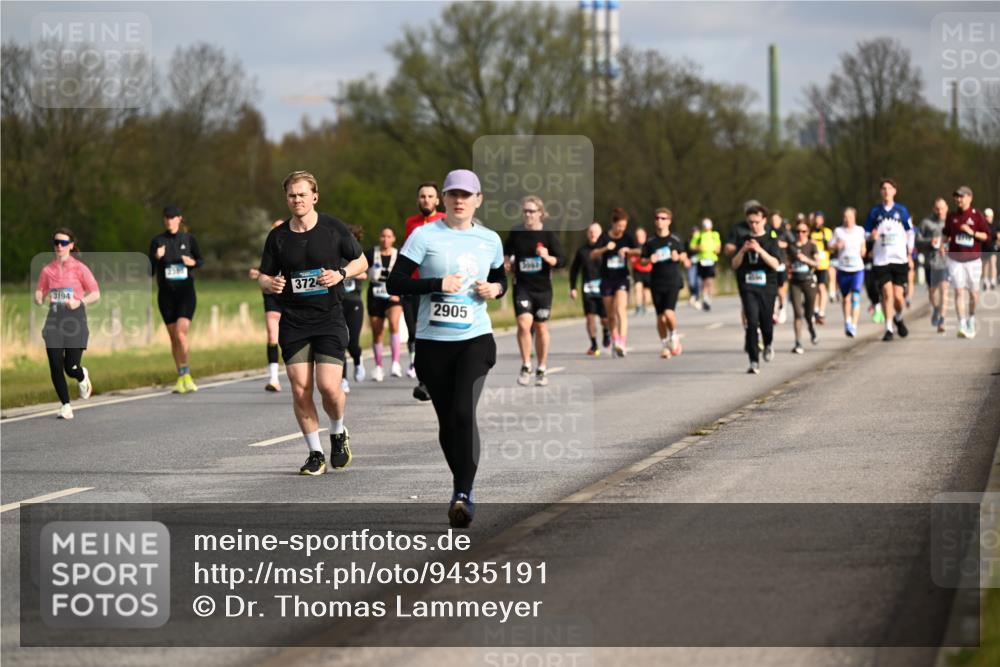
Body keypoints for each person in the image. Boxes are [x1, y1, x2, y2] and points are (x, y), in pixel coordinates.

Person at [387, 169, 506, 528]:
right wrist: (437, 283)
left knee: (463, 412)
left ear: (477, 200)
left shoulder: (489, 239)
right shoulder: (424, 236)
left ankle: (463, 494)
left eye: (466, 195)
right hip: (433, 344)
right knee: (447, 420)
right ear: (444, 198)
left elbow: (502, 278)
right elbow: (397, 281)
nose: (459, 200)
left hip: (475, 339)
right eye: (453, 194)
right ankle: (460, 486)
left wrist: (496, 290)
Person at [257, 171, 368, 476]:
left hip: (329, 318)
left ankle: (338, 431)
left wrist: (342, 274)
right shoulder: (277, 236)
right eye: (292, 195)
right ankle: (315, 454)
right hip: (294, 321)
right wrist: (270, 284)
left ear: (315, 196)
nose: (297, 200)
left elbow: (362, 262)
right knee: (300, 389)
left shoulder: (332, 228)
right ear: (287, 199)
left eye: (303, 194)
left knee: (329, 387)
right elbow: (264, 276)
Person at [34, 228, 100, 419]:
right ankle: (65, 405)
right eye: (56, 242)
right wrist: (38, 297)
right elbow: (40, 292)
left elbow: (95, 293)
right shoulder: (47, 270)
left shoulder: (80, 268)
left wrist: (79, 301)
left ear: (71, 245)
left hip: (75, 319)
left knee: (70, 367)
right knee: (55, 364)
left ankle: (81, 375)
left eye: (63, 243)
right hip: (54, 319)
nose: (59, 246)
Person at [505, 195, 564, 386]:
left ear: (540, 213)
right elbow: (506, 252)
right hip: (522, 286)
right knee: (523, 324)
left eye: (531, 211)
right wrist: (507, 262)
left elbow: (562, 260)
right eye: (525, 211)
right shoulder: (516, 232)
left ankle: (542, 367)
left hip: (543, 289)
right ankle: (526, 364)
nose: (528, 215)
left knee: (540, 327)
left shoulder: (548, 234)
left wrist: (547, 257)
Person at [149, 205, 203, 393]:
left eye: (173, 217)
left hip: (186, 293)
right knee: (173, 338)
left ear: (180, 219)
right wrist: (157, 257)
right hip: (166, 296)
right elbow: (150, 271)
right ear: (164, 220)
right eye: (167, 217)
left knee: (181, 334)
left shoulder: (189, 239)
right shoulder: (158, 241)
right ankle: (181, 377)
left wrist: (192, 262)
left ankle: (187, 373)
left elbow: (200, 260)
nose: (169, 220)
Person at [403, 183, 447, 401]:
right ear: (418, 199)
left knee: (436, 334)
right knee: (415, 334)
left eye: (430, 196)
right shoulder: (410, 223)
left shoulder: (445, 221)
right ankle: (425, 380)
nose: (426, 200)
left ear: (437, 200)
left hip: (437, 288)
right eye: (422, 196)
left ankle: (433, 379)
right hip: (413, 287)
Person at [731, 204, 781, 373]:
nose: (754, 225)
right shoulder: (743, 239)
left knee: (766, 322)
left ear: (764, 220)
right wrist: (743, 251)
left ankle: (768, 343)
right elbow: (734, 264)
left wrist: (759, 250)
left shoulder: (771, 240)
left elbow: (775, 264)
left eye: (757, 222)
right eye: (750, 222)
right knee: (751, 322)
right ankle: (753, 360)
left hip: (767, 286)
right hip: (748, 286)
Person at [864, 178, 914, 342]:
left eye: (889, 188)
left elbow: (910, 232)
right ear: (881, 192)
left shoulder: (902, 210)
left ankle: (898, 317)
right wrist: (871, 236)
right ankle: (888, 328)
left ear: (894, 191)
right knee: (886, 293)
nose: (886, 191)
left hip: (899, 258)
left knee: (898, 297)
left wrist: (909, 252)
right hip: (881, 259)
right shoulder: (875, 212)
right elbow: (865, 233)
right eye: (883, 188)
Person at [943, 186, 992, 339]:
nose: (958, 199)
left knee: (973, 293)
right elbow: (946, 234)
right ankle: (962, 323)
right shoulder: (951, 216)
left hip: (973, 260)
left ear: (970, 197)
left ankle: (971, 316)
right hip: (955, 259)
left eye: (962, 196)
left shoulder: (977, 216)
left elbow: (986, 236)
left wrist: (972, 233)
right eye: (956, 197)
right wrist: (943, 244)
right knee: (958, 291)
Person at [640, 208, 687, 358]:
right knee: (660, 317)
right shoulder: (650, 242)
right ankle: (664, 345)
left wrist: (677, 257)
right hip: (656, 281)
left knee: (668, 312)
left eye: (663, 218)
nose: (660, 221)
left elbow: (684, 255)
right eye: (657, 218)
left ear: (669, 221)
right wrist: (648, 260)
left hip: (672, 280)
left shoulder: (675, 239)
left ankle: (674, 335)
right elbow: (642, 259)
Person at [592, 208, 638, 357]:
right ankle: (615, 338)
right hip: (606, 280)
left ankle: (622, 342)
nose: (621, 229)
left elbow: (641, 250)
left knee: (620, 309)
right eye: (619, 226)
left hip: (622, 278)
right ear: (613, 223)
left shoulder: (627, 237)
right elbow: (593, 254)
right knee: (611, 315)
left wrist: (628, 251)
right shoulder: (605, 237)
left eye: (624, 226)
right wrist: (606, 248)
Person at [249, 219, 287, 392]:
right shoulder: (270, 246)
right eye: (275, 228)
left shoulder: (295, 246)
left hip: (290, 297)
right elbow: (265, 270)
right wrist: (258, 273)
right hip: (272, 295)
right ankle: (273, 378)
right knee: (272, 335)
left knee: (290, 336)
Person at [365, 226, 405, 381]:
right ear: (379, 238)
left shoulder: (399, 255)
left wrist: (398, 292)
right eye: (383, 236)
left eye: (389, 236)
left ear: (393, 238)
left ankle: (395, 363)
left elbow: (404, 274)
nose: (386, 239)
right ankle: (378, 366)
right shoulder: (370, 254)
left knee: (394, 323)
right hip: (375, 294)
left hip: (393, 294)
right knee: (377, 331)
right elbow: (361, 268)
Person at [570, 222, 610, 356]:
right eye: (590, 232)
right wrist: (573, 287)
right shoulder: (582, 251)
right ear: (587, 234)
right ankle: (594, 344)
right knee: (590, 318)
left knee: (605, 319)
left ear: (600, 234)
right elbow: (574, 270)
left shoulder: (606, 250)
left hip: (604, 289)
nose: (593, 234)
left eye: (595, 232)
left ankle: (606, 331)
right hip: (588, 289)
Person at [916, 198, 951, 333]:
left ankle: (942, 319)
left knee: (945, 289)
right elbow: (917, 241)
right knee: (933, 292)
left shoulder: (952, 222)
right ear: (933, 209)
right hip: (930, 262)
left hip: (946, 262)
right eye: (937, 208)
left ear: (947, 208)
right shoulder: (926, 223)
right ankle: (936, 308)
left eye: (942, 208)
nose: (940, 211)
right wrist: (930, 242)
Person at [832, 207, 867, 338]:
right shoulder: (838, 231)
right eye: (845, 217)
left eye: (850, 217)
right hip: (843, 269)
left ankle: (854, 324)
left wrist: (863, 250)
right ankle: (847, 321)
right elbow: (830, 245)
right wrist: (836, 246)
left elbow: (863, 245)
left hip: (857, 268)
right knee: (846, 298)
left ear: (854, 218)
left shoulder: (860, 230)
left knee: (856, 296)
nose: (848, 220)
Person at [340, 225, 367, 393]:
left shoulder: (358, 256)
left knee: (353, 343)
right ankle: (343, 379)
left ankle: (358, 360)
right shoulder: (336, 255)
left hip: (354, 302)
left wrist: (349, 272)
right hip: (338, 303)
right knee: (340, 341)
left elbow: (365, 273)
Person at [787, 221, 819, 353]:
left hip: (808, 281)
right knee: (797, 313)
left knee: (808, 313)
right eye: (798, 231)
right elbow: (786, 261)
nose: (800, 234)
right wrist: (788, 268)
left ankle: (812, 329)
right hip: (795, 282)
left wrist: (806, 260)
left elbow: (817, 263)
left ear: (808, 232)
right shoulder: (791, 246)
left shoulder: (812, 245)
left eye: (804, 231)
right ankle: (798, 342)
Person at [691, 218, 721, 311]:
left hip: (712, 259)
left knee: (710, 280)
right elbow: (692, 246)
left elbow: (718, 247)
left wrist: (717, 249)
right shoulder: (698, 235)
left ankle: (708, 298)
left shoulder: (714, 234)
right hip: (702, 260)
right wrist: (698, 247)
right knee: (704, 280)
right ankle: (704, 297)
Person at [809, 211, 834, 325]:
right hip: (812, 264)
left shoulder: (827, 232)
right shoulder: (809, 232)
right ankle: (815, 310)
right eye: (816, 219)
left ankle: (821, 311)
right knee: (814, 289)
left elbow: (832, 247)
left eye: (819, 219)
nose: (817, 221)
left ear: (822, 220)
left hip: (823, 264)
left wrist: (824, 242)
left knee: (821, 287)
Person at [769, 212, 794, 324]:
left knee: (780, 289)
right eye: (773, 220)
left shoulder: (785, 232)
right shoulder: (768, 231)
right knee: (771, 289)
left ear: (780, 220)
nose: (774, 222)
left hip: (782, 263)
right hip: (770, 264)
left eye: (776, 220)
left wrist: (785, 245)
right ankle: (772, 312)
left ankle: (782, 309)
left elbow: (794, 244)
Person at [630, 226, 652, 315]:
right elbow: (630, 256)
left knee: (646, 291)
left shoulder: (649, 244)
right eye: (638, 235)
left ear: (645, 235)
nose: (639, 237)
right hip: (637, 270)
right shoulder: (633, 245)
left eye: (641, 235)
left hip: (648, 270)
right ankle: (638, 306)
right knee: (637, 288)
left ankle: (644, 306)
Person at [983, 207, 997, 291]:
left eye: (988, 216)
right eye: (985, 216)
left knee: (993, 262)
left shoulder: (996, 225)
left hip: (993, 247)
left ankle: (993, 280)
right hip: (984, 247)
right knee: (985, 264)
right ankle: (985, 280)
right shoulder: (983, 225)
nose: (987, 218)